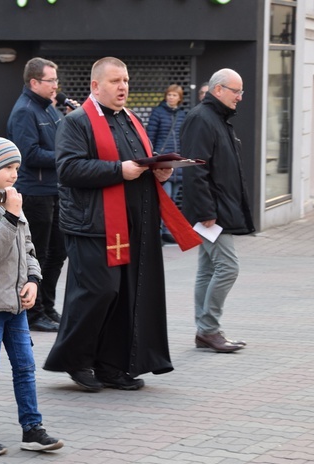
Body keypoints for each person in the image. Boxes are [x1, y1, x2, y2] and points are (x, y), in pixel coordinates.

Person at [44, 57, 201, 391]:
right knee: (98, 292)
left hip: (133, 225)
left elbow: (138, 163)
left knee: (125, 296)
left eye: (126, 80)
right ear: (95, 86)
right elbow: (69, 169)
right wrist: (118, 170)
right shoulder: (75, 122)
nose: (123, 87)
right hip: (92, 225)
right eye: (115, 81)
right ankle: (76, 361)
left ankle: (112, 365)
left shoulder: (130, 119)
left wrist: (159, 169)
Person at [0, 137, 64, 455]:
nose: (14, 173)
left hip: (16, 303)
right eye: (7, 167)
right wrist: (11, 215)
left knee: (25, 367)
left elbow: (27, 248)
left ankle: (32, 429)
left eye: (17, 167)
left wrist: (33, 280)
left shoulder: (10, 201)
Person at [180, 68, 254, 353]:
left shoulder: (217, 118)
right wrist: (205, 211)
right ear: (218, 89)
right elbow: (195, 170)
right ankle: (209, 329)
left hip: (217, 208)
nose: (240, 97)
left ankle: (205, 331)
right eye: (236, 91)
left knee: (209, 268)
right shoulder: (202, 119)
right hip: (211, 212)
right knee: (227, 267)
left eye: (241, 91)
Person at [6, 57, 66, 333]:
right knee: (38, 255)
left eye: (55, 80)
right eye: (51, 80)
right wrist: (66, 157)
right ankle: (34, 312)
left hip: (54, 191)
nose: (56, 85)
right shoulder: (24, 111)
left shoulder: (49, 109)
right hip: (35, 193)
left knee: (58, 252)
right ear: (34, 82)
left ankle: (48, 306)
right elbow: (27, 155)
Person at [146, 84, 187, 244]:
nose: (171, 97)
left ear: (179, 98)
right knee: (164, 199)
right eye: (169, 95)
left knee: (173, 200)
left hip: (177, 161)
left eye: (174, 95)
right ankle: (160, 231)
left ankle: (168, 231)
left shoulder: (183, 115)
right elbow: (150, 135)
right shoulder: (158, 113)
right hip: (163, 161)